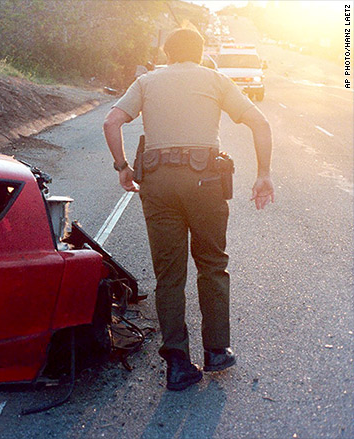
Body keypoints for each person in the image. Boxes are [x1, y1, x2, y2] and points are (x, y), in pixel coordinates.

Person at [102, 28, 274, 391]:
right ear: (198, 53)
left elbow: (111, 121)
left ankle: (178, 364)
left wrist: (123, 168)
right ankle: (216, 351)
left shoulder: (147, 81)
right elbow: (260, 122)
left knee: (169, 275)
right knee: (212, 264)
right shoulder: (215, 79)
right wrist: (263, 175)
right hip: (206, 184)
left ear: (167, 53)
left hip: (159, 186)